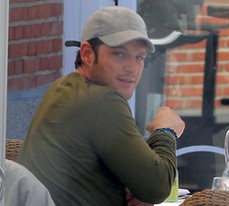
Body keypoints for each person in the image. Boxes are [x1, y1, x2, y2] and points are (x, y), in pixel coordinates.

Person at [17, 6, 185, 206]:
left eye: (139, 57)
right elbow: (157, 188)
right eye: (119, 54)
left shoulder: (63, 88)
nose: (132, 68)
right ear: (87, 54)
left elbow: (141, 182)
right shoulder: (103, 101)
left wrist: (135, 185)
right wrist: (166, 131)